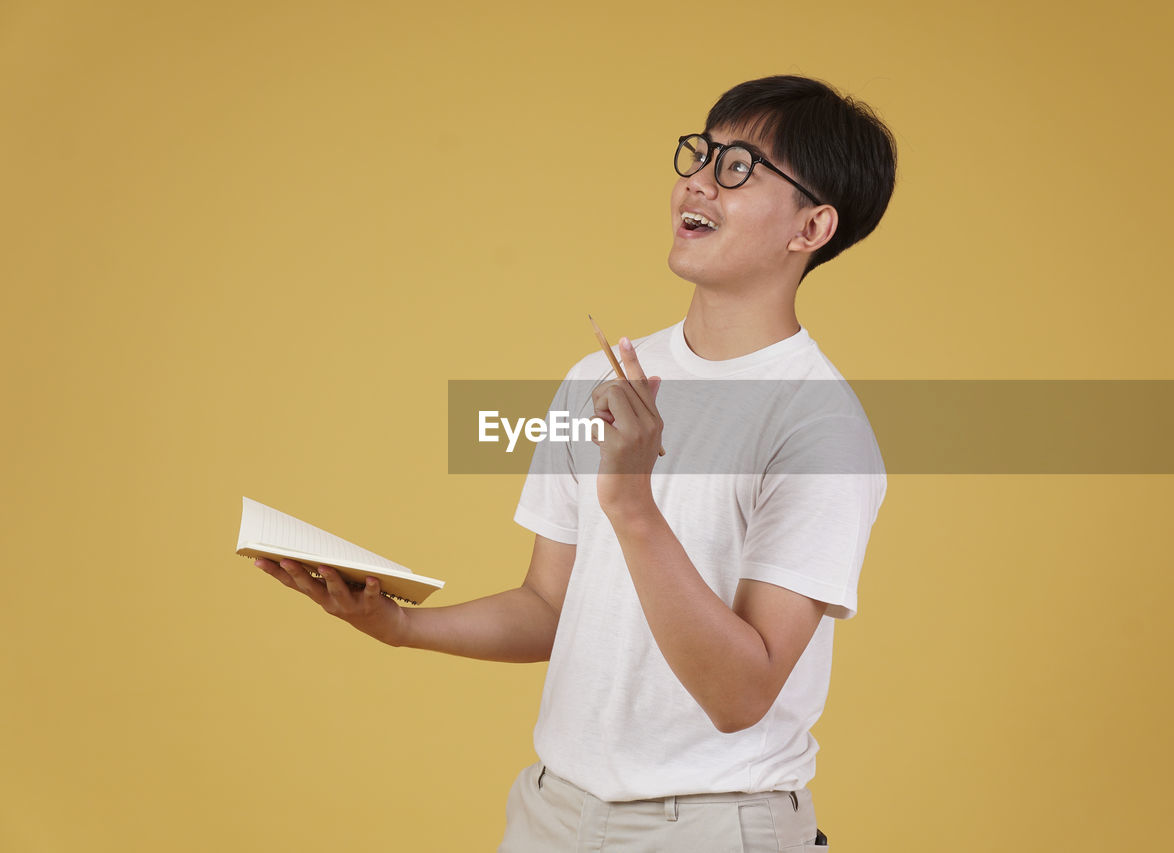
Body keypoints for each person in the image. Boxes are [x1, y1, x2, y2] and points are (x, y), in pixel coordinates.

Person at [256, 74, 897, 851]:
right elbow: (550, 606)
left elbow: (742, 692)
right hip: (552, 813)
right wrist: (396, 625)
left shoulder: (820, 426)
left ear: (811, 227)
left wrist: (631, 501)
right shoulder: (603, 377)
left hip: (711, 826)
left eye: (740, 166)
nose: (697, 179)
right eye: (702, 152)